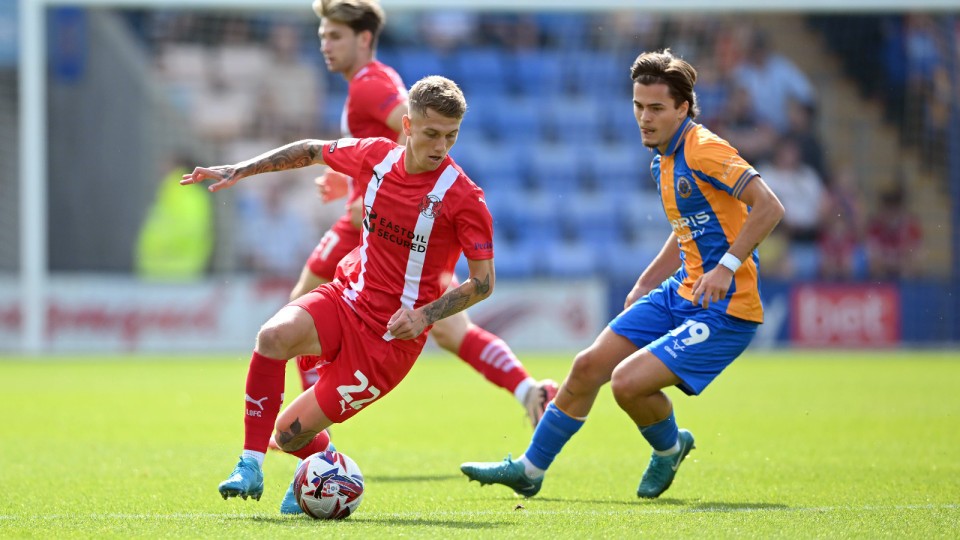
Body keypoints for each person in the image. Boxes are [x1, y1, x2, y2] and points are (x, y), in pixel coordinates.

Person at [460, 49, 784, 500]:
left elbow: (769, 205)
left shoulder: (705, 149)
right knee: (587, 366)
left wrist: (728, 267)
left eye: (655, 108)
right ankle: (529, 470)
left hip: (726, 309)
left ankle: (669, 450)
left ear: (683, 108)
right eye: (637, 106)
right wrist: (648, 281)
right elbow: (686, 228)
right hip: (680, 292)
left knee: (628, 384)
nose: (643, 118)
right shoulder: (663, 159)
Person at [182, 75, 499, 507]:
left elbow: (483, 282)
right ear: (407, 126)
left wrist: (424, 316)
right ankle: (249, 464)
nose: (441, 147)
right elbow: (313, 150)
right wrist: (241, 169)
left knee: (290, 436)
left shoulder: (464, 198)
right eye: (430, 134)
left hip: (389, 342)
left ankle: (328, 464)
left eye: (451, 136)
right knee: (272, 336)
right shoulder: (375, 157)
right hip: (347, 298)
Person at [294, 0, 556, 425]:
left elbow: (407, 126)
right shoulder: (374, 80)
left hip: (376, 226)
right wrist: (353, 179)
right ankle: (530, 390)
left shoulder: (368, 84)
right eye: (323, 35)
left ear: (363, 39)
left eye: (335, 36)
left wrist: (379, 190)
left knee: (301, 311)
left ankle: (312, 439)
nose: (326, 44)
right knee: (453, 331)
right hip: (406, 229)